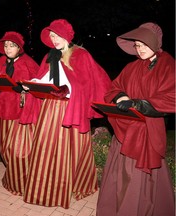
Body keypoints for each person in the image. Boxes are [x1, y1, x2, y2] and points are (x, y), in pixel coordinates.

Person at [23, 19, 111, 209]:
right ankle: (44, 186)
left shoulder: (80, 55)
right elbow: (43, 77)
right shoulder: (50, 55)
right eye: (52, 36)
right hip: (50, 108)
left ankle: (68, 186)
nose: (54, 39)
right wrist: (32, 83)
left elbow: (87, 83)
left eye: (57, 35)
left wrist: (68, 91)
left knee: (68, 148)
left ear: (67, 35)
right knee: (45, 145)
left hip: (71, 108)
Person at [96, 23, 175, 216]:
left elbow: (171, 97)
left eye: (144, 44)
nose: (139, 49)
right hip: (125, 130)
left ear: (155, 42)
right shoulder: (132, 66)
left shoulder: (168, 65)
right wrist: (121, 97)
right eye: (137, 45)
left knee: (140, 178)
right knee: (120, 175)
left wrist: (138, 104)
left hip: (147, 131)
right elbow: (115, 86)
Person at [0, 31, 41, 195]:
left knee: (19, 150)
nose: (8, 49)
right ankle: (14, 177)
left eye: (12, 46)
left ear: (19, 48)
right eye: (6, 46)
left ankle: (25, 182)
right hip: (1, 111)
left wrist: (25, 89)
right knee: (5, 148)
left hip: (20, 112)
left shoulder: (29, 63)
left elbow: (37, 87)